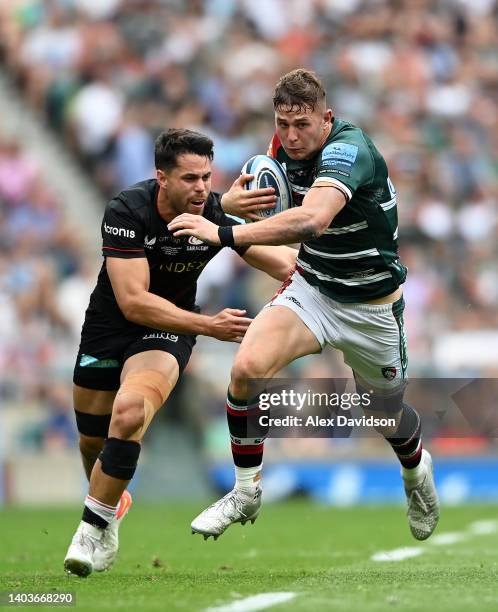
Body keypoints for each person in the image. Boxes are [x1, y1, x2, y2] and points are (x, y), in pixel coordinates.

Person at [168, 69, 440, 542]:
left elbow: (313, 219)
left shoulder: (349, 150)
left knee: (384, 415)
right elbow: (263, 223)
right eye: (282, 124)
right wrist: (224, 213)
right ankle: (246, 490)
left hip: (372, 307)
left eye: (302, 126)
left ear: (326, 118)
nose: (291, 137)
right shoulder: (278, 153)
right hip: (313, 289)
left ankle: (416, 472)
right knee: (247, 369)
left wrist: (224, 232)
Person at [64, 128, 297, 577]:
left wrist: (327, 277)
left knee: (129, 414)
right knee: (92, 442)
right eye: (190, 178)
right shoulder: (127, 210)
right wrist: (208, 325)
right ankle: (110, 509)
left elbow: (279, 261)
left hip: (167, 331)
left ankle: (91, 529)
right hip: (110, 328)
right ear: (161, 178)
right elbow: (133, 302)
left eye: (207, 177)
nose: (202, 188)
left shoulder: (210, 215)